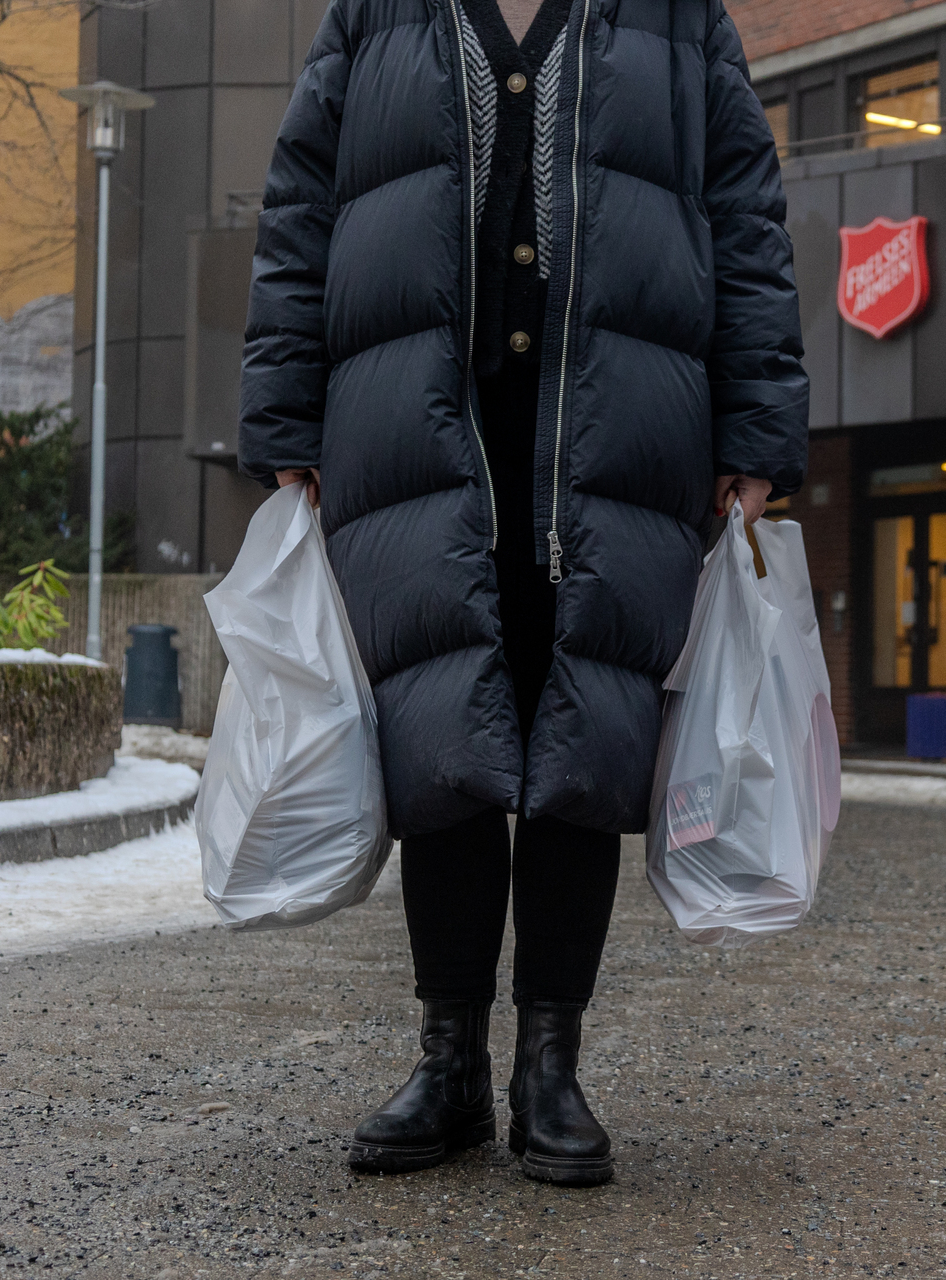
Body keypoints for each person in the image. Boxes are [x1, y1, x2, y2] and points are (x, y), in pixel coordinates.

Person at [238, 0, 806, 1186]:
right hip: (412, 428)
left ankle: (552, 1065)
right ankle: (447, 1061)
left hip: (621, 429)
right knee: (440, 732)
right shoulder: (375, 13)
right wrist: (285, 418)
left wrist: (757, 433)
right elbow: (300, 210)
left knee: (581, 737)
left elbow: (747, 218)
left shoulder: (678, 17)